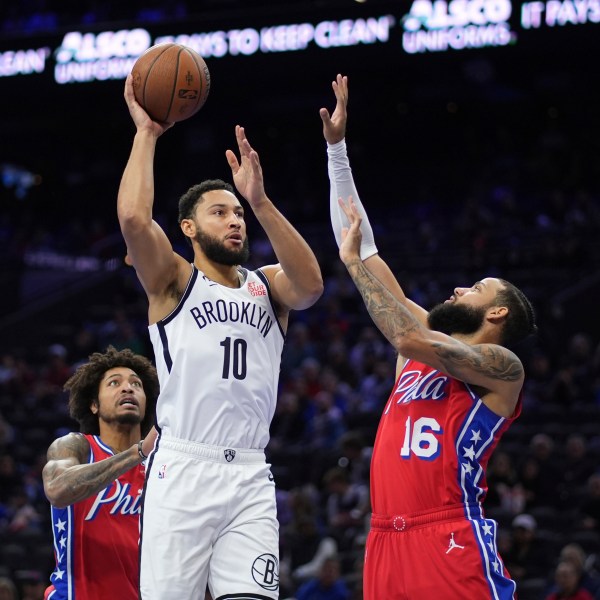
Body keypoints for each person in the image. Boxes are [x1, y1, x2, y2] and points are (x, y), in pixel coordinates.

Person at [320, 74, 537, 599]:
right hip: (383, 541)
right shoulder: (421, 337)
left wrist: (352, 267)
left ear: (498, 311)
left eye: (477, 287)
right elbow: (364, 247)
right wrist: (337, 151)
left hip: (448, 536)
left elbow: (407, 339)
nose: (461, 287)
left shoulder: (501, 368)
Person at [117, 74, 323, 600]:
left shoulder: (267, 286)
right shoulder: (174, 280)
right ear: (188, 227)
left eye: (237, 214)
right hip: (185, 467)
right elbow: (134, 219)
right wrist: (147, 134)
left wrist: (260, 202)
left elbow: (311, 286)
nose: (234, 221)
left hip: (251, 473)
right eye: (220, 211)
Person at [41, 346, 159, 600]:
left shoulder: (162, 465)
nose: (128, 388)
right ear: (93, 405)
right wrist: (137, 453)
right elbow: (57, 489)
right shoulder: (77, 446)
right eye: (114, 383)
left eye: (137, 385)